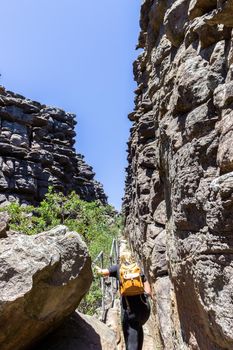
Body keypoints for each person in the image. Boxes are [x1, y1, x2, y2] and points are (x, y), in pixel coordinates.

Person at [94, 250, 151, 350]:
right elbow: (148, 291)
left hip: (129, 312)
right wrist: (145, 297)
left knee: (131, 340)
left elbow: (102, 273)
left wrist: (95, 267)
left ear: (121, 259)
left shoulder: (118, 268)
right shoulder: (137, 269)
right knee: (138, 327)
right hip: (144, 310)